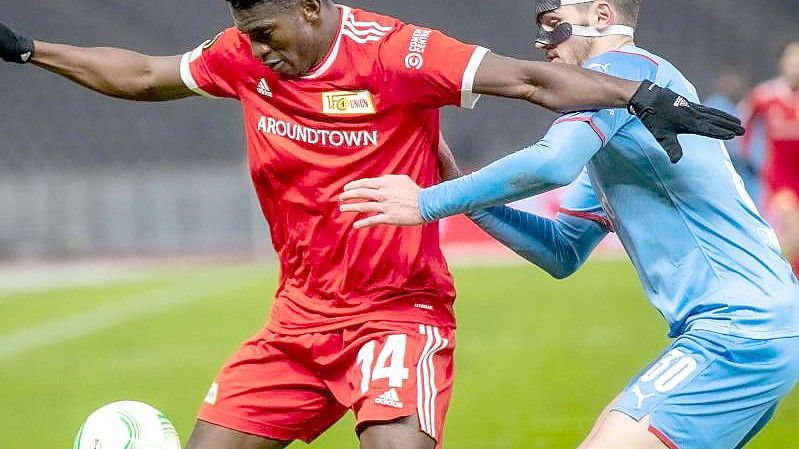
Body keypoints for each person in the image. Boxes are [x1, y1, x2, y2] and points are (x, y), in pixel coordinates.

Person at [0, 1, 743, 448]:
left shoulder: (398, 52)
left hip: (397, 314)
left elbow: (529, 77)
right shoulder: (243, 55)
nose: (256, 52)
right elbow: (141, 75)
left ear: (316, 8)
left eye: (267, 31)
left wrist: (638, 92)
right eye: (245, 34)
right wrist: (29, 50)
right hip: (296, 320)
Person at [339, 1, 799, 448]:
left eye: (555, 25)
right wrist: (468, 197)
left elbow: (552, 163)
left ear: (602, 16)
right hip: (751, 327)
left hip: (739, 329)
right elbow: (562, 251)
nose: (542, 42)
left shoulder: (622, 72)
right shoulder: (616, 126)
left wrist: (427, 202)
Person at [741, 42, 799, 276]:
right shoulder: (765, 96)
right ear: (782, 64)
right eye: (793, 61)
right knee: (795, 232)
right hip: (781, 179)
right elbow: (745, 124)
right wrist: (746, 157)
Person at [704, 66, 759, 204]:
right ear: (721, 81)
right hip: (719, 177)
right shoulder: (712, 107)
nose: (734, 84)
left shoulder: (753, 107)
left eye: (738, 79)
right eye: (730, 79)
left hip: (749, 180)